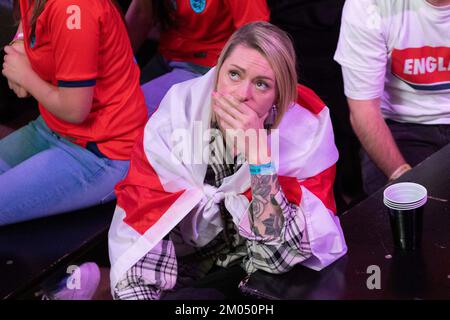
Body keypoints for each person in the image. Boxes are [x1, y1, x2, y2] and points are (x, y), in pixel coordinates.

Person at [108, 21, 347, 300]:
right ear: (217, 74)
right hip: (183, 268)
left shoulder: (303, 132)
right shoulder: (179, 116)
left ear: (277, 97)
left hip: (259, 275)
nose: (242, 95)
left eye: (261, 84)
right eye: (234, 74)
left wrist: (260, 160)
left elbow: (276, 259)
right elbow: (143, 224)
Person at [0, 0, 147, 226]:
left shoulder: (74, 6)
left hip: (100, 153)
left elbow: (75, 110)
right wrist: (20, 44)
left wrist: (25, 75)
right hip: (51, 128)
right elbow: (28, 14)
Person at [334, 0, 450, 195]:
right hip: (401, 127)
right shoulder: (368, 5)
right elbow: (364, 109)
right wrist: (402, 176)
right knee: (402, 215)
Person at [125, 0, 270, 115]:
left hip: (206, 63)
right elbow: (140, 12)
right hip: (168, 50)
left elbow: (256, 37)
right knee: (117, 97)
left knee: (132, 110)